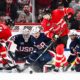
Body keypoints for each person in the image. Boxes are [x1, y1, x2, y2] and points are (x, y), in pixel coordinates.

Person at [41, 6, 71, 72]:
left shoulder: (57, 12)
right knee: (59, 52)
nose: (45, 17)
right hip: (55, 36)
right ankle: (66, 64)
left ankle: (57, 66)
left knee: (59, 48)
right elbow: (46, 33)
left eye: (46, 15)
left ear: (50, 14)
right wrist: (53, 35)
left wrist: (69, 16)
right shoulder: (44, 22)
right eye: (43, 16)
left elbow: (68, 10)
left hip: (64, 34)